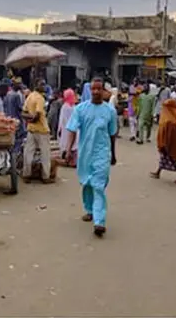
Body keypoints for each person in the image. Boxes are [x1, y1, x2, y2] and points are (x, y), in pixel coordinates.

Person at [64, 78, 118, 238]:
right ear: (89, 90)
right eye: (93, 89)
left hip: (102, 154)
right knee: (87, 182)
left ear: (103, 91)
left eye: (99, 89)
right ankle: (89, 210)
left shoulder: (110, 111)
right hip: (85, 153)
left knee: (98, 186)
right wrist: (68, 150)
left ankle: (99, 222)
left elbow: (112, 134)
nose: (95, 92)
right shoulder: (80, 109)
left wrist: (114, 155)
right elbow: (72, 130)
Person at [150, 99, 176, 184]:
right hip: (170, 144)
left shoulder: (170, 120)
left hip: (170, 144)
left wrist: (164, 143)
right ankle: (158, 172)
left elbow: (167, 133)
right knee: (165, 159)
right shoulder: (174, 117)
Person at [21, 79, 52, 186]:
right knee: (45, 154)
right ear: (36, 86)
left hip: (31, 129)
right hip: (42, 130)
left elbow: (23, 112)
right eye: (41, 84)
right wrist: (33, 119)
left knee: (28, 153)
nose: (43, 86)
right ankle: (45, 176)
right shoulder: (40, 98)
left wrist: (29, 120)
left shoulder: (29, 96)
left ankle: (26, 175)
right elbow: (38, 115)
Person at [4, 79, 26, 155]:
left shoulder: (8, 94)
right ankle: (15, 155)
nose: (20, 86)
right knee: (18, 140)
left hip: (9, 120)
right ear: (14, 85)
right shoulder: (16, 95)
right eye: (18, 84)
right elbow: (20, 109)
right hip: (16, 120)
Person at [58, 88, 78, 167]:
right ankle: (72, 160)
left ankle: (69, 159)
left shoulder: (65, 107)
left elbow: (62, 120)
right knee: (74, 144)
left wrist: (60, 129)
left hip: (66, 129)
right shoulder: (74, 107)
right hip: (74, 128)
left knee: (68, 144)